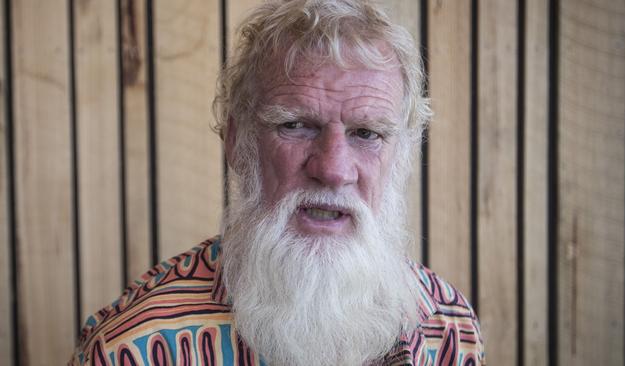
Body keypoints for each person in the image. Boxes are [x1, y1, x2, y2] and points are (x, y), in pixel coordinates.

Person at [70, 0, 485, 365]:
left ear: (404, 155)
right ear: (238, 140)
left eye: (367, 133)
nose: (334, 169)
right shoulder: (135, 349)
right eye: (296, 125)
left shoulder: (448, 331)